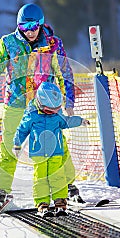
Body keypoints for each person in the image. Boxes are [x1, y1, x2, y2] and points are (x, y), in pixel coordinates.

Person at [0, 3, 84, 212]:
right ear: (19, 27)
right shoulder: (8, 43)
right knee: (9, 147)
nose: (31, 31)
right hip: (16, 103)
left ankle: (69, 185)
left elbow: (66, 72)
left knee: (57, 147)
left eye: (35, 26)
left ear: (41, 24)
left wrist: (69, 102)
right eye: (26, 27)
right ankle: (1, 191)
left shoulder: (53, 44)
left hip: (47, 105)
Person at [12, 82, 90, 214]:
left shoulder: (56, 115)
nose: (52, 113)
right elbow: (22, 130)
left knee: (57, 177)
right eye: (49, 111)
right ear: (40, 103)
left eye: (55, 110)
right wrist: (17, 145)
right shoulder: (32, 114)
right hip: (39, 153)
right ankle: (42, 202)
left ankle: (60, 200)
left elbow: (66, 121)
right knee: (41, 178)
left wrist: (80, 120)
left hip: (56, 151)